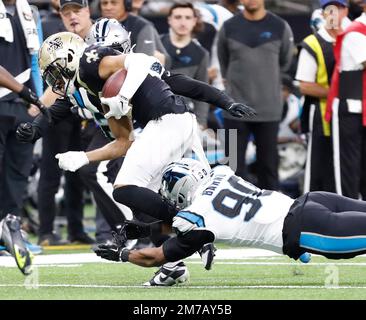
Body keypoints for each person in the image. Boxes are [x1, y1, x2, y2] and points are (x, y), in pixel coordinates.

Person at [95, 157, 366, 280]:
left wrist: (122, 256)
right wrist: (142, 230)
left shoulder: (195, 218)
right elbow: (196, 216)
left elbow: (157, 256)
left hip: (306, 228)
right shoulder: (221, 172)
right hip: (311, 201)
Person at [217, 0, 294, 190]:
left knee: (268, 169)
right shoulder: (228, 27)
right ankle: (229, 217)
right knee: (232, 168)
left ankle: (271, 217)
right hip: (234, 110)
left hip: (268, 111)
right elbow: (224, 64)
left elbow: (285, 62)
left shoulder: (280, 26)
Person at [296, 0, 349, 194]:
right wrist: (342, 93)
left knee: (347, 169)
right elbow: (305, 86)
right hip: (320, 116)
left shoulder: (353, 38)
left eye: (339, 8)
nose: (334, 13)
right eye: (329, 9)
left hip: (348, 117)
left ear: (346, 11)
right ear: (323, 13)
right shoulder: (313, 42)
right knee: (318, 169)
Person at [0, 0, 41, 220]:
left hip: (24, 104)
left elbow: (36, 61)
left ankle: (11, 232)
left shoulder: (31, 13)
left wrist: (38, 99)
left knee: (18, 174)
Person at [326, 0, 366, 199]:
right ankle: (348, 215)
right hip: (350, 109)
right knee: (349, 169)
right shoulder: (355, 31)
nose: (333, 12)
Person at [161, 2, 210, 128]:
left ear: (194, 21)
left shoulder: (201, 54)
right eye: (178, 17)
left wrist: (200, 123)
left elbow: (202, 91)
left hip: (184, 118)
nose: (183, 22)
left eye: (188, 18)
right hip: (153, 116)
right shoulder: (156, 45)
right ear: (169, 20)